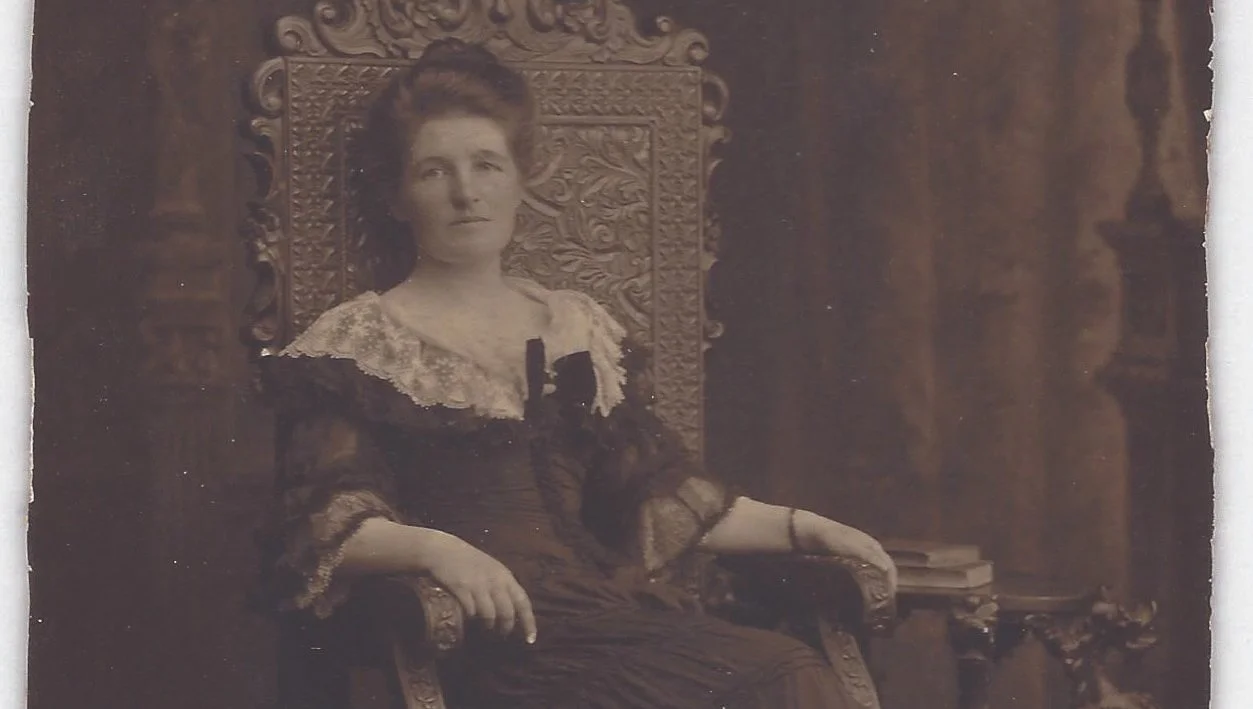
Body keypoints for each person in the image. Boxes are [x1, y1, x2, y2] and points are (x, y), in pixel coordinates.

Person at [261, 38, 896, 709]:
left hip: (604, 617)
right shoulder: (358, 344)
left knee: (785, 670)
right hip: (489, 636)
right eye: (433, 172)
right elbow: (325, 522)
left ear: (520, 180)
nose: (466, 193)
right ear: (396, 197)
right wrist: (441, 552)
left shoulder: (574, 328)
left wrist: (806, 526)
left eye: (487, 165)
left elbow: (659, 493)